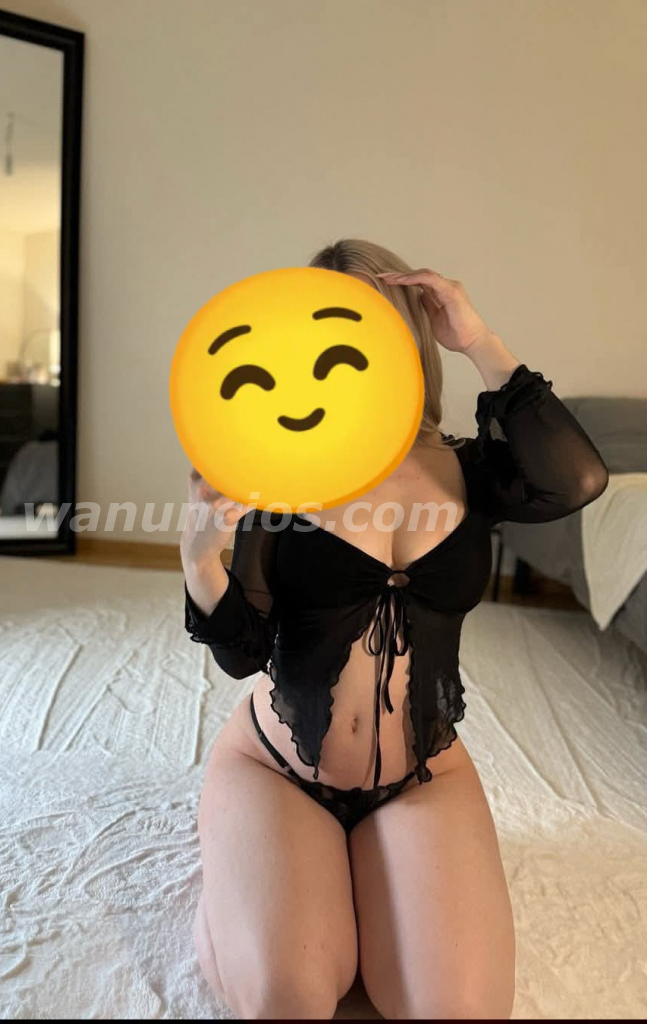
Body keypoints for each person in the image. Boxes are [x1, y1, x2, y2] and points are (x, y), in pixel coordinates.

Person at [181, 239, 609, 1020]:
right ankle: (238, 883)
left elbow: (577, 479)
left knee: (456, 1011)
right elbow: (243, 655)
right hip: (279, 769)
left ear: (411, 329)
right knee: (291, 999)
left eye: (377, 316)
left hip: (422, 775)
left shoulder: (472, 468)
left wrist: (477, 338)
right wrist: (198, 557)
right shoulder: (281, 467)